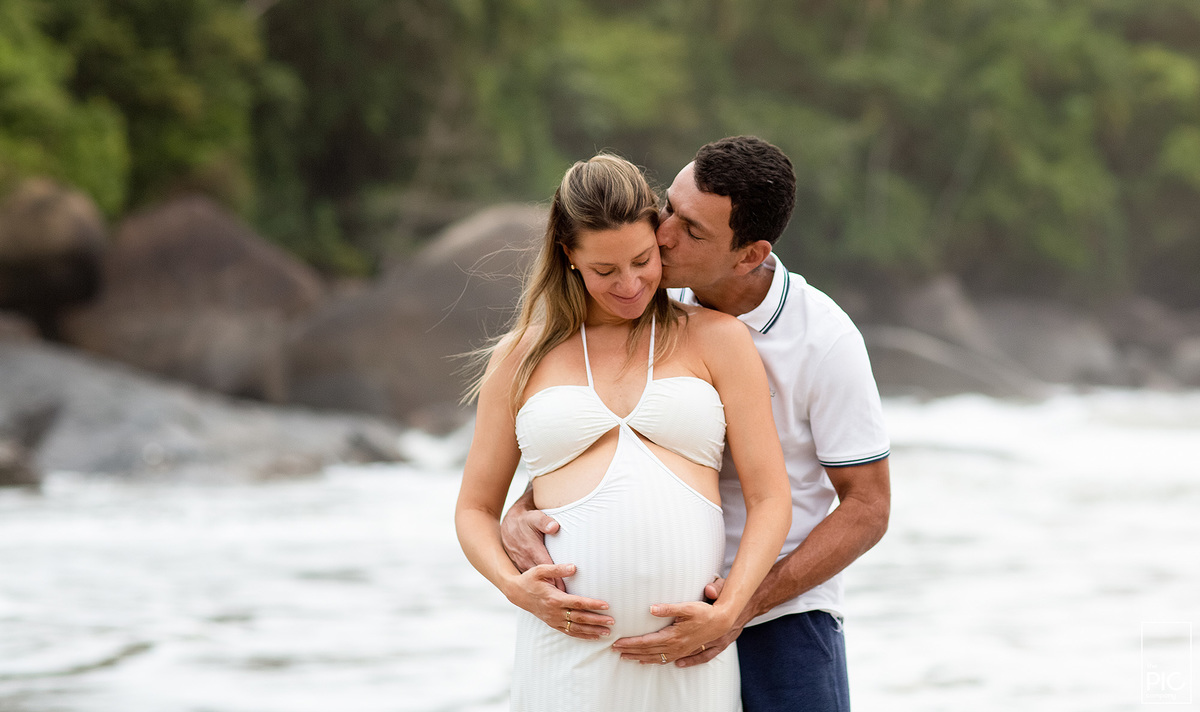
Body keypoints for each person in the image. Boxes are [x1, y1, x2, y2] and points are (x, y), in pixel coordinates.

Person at [501, 136, 892, 712]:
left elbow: (868, 507)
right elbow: (608, 433)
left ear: (749, 255)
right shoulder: (644, 296)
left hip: (779, 619)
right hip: (641, 630)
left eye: (692, 230)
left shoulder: (824, 340)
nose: (661, 234)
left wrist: (740, 607)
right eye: (670, 208)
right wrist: (520, 509)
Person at [455, 153, 792, 711]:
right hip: (567, 659)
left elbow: (769, 495)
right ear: (569, 257)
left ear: (659, 238)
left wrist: (729, 610)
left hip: (689, 658)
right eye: (605, 271)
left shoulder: (717, 339)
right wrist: (517, 591)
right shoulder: (519, 358)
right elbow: (473, 510)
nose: (630, 284)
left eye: (642, 260)